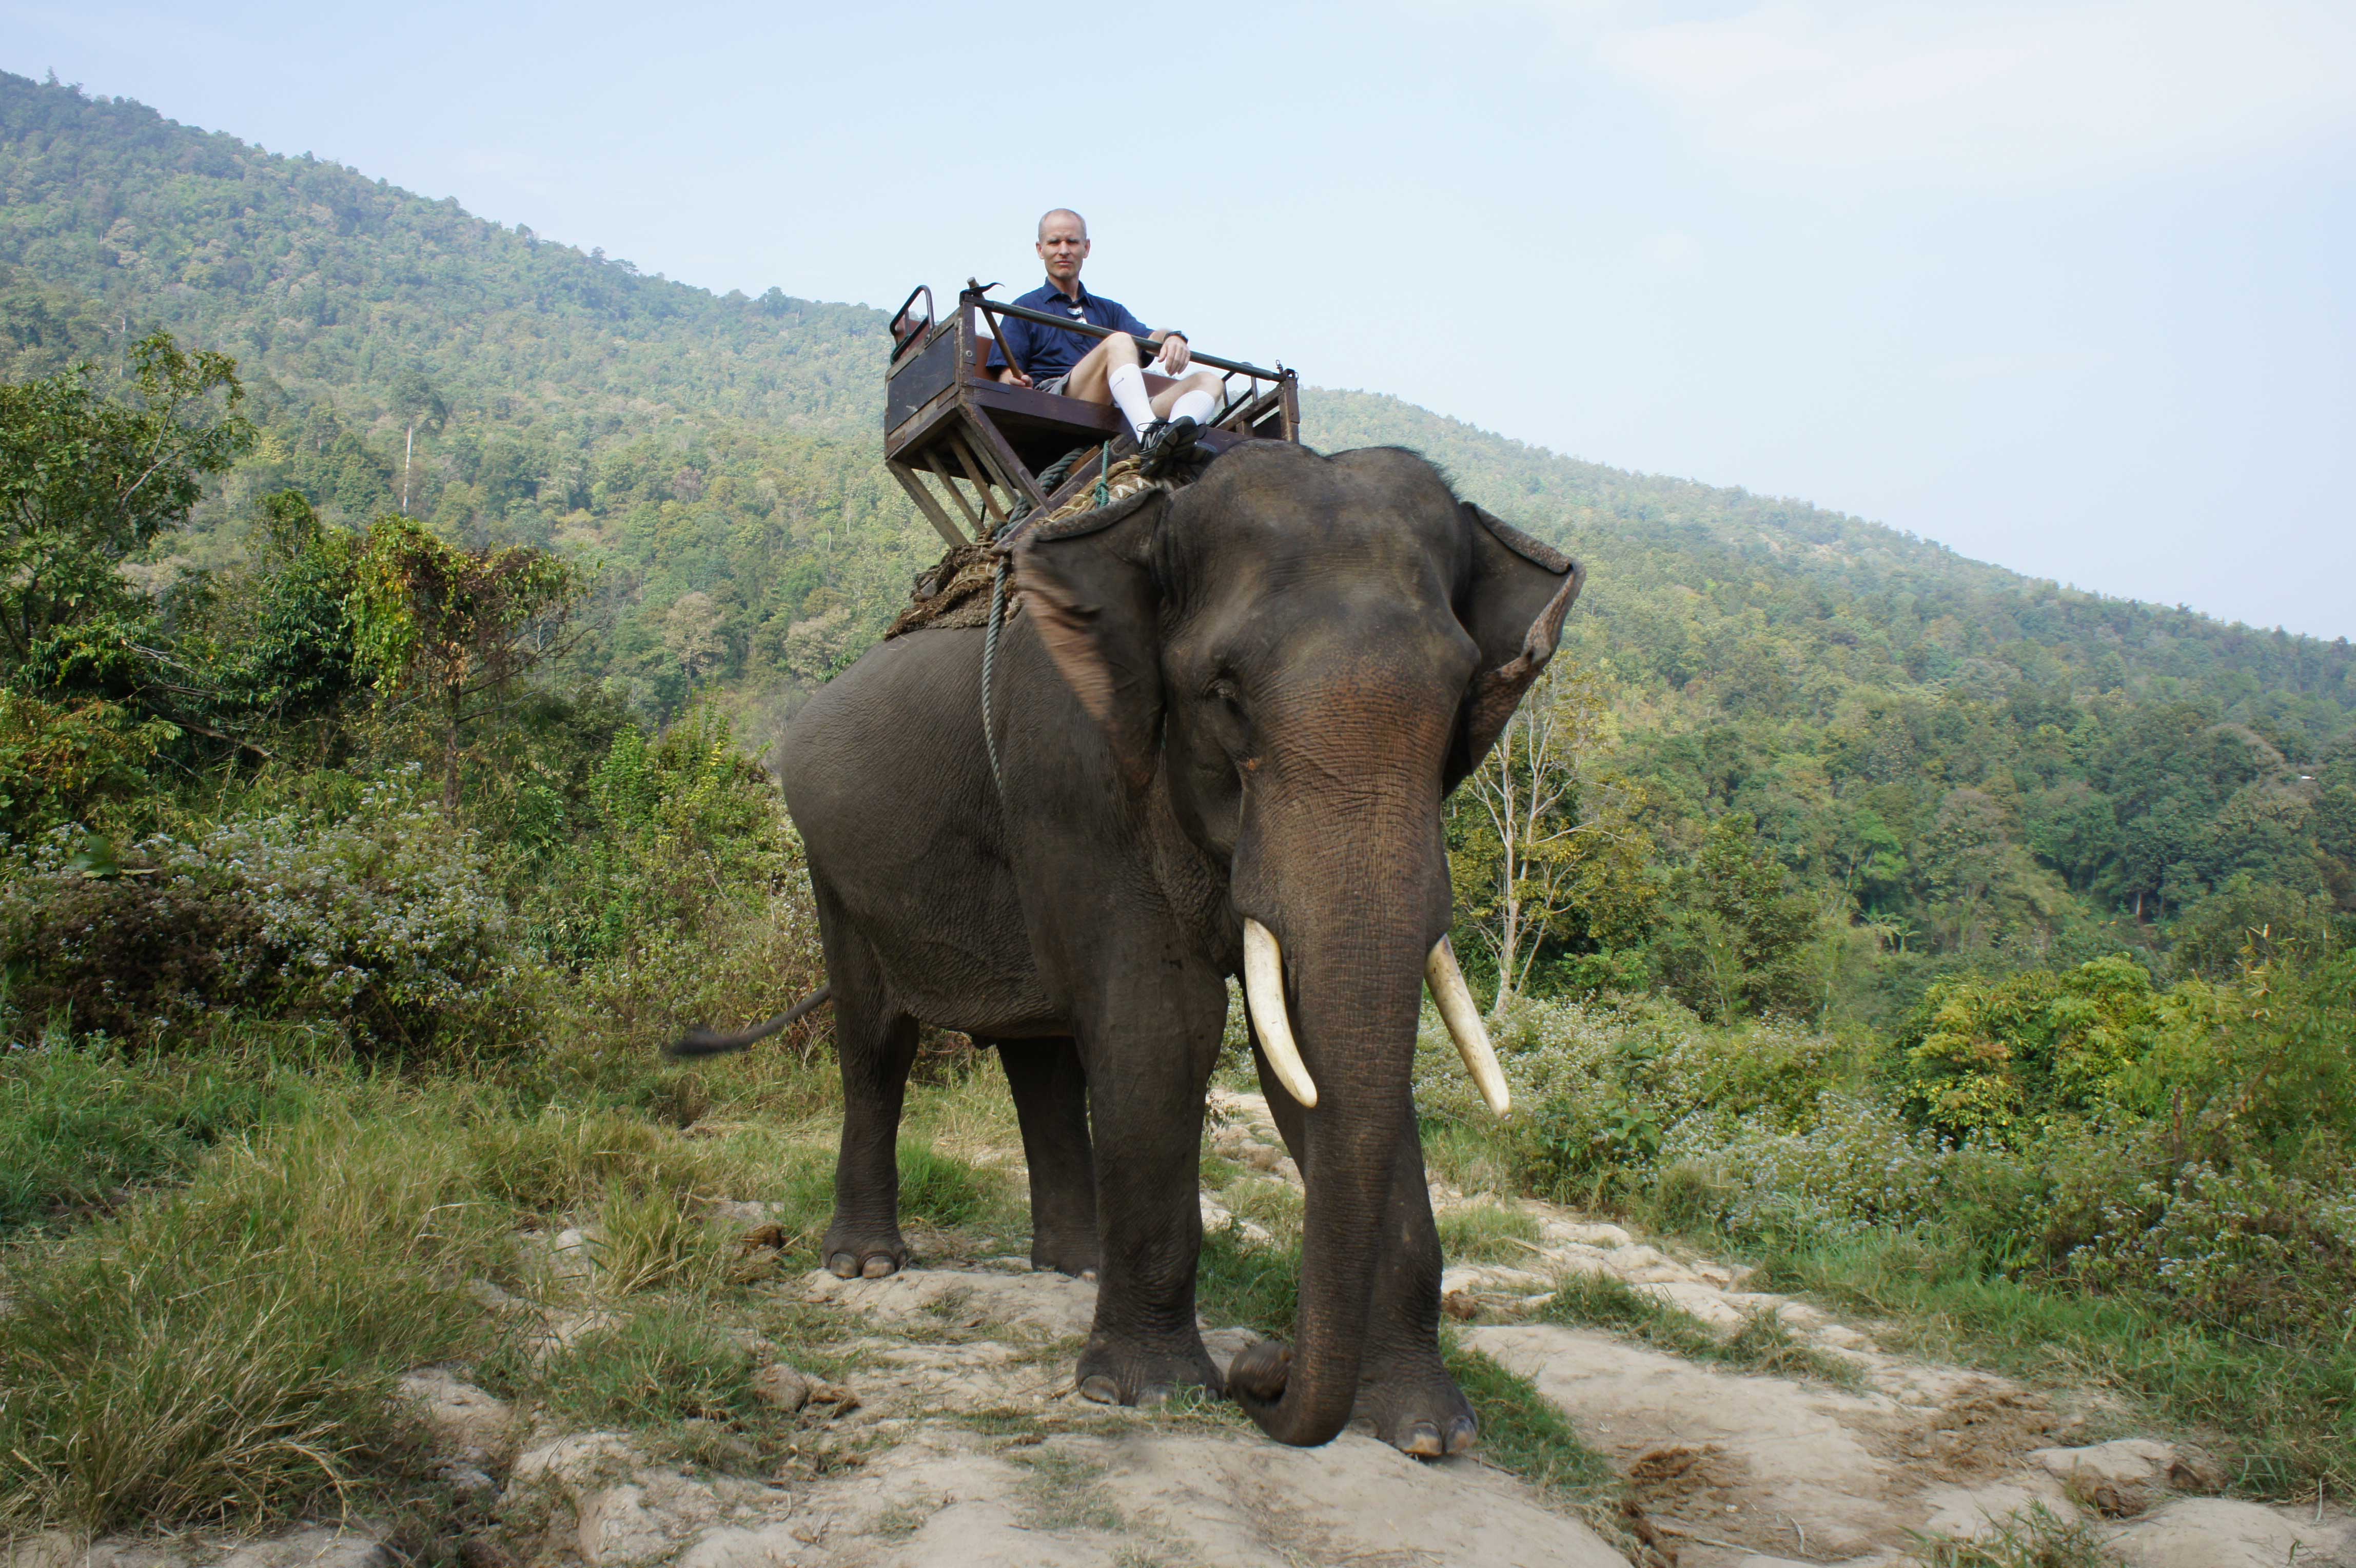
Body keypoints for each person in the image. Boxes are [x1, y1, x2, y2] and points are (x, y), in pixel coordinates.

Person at [988, 208, 1226, 472]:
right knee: (1120, 341)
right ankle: (1149, 437)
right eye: (1055, 242)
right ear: (1040, 249)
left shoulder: (1109, 310)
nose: (1064, 250)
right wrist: (1012, 380)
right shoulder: (1024, 307)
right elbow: (1006, 374)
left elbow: (1149, 337)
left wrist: (1172, 338)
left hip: (1120, 409)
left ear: (1086, 248)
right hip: (1060, 401)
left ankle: (1170, 441)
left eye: (1072, 242)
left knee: (1210, 381)